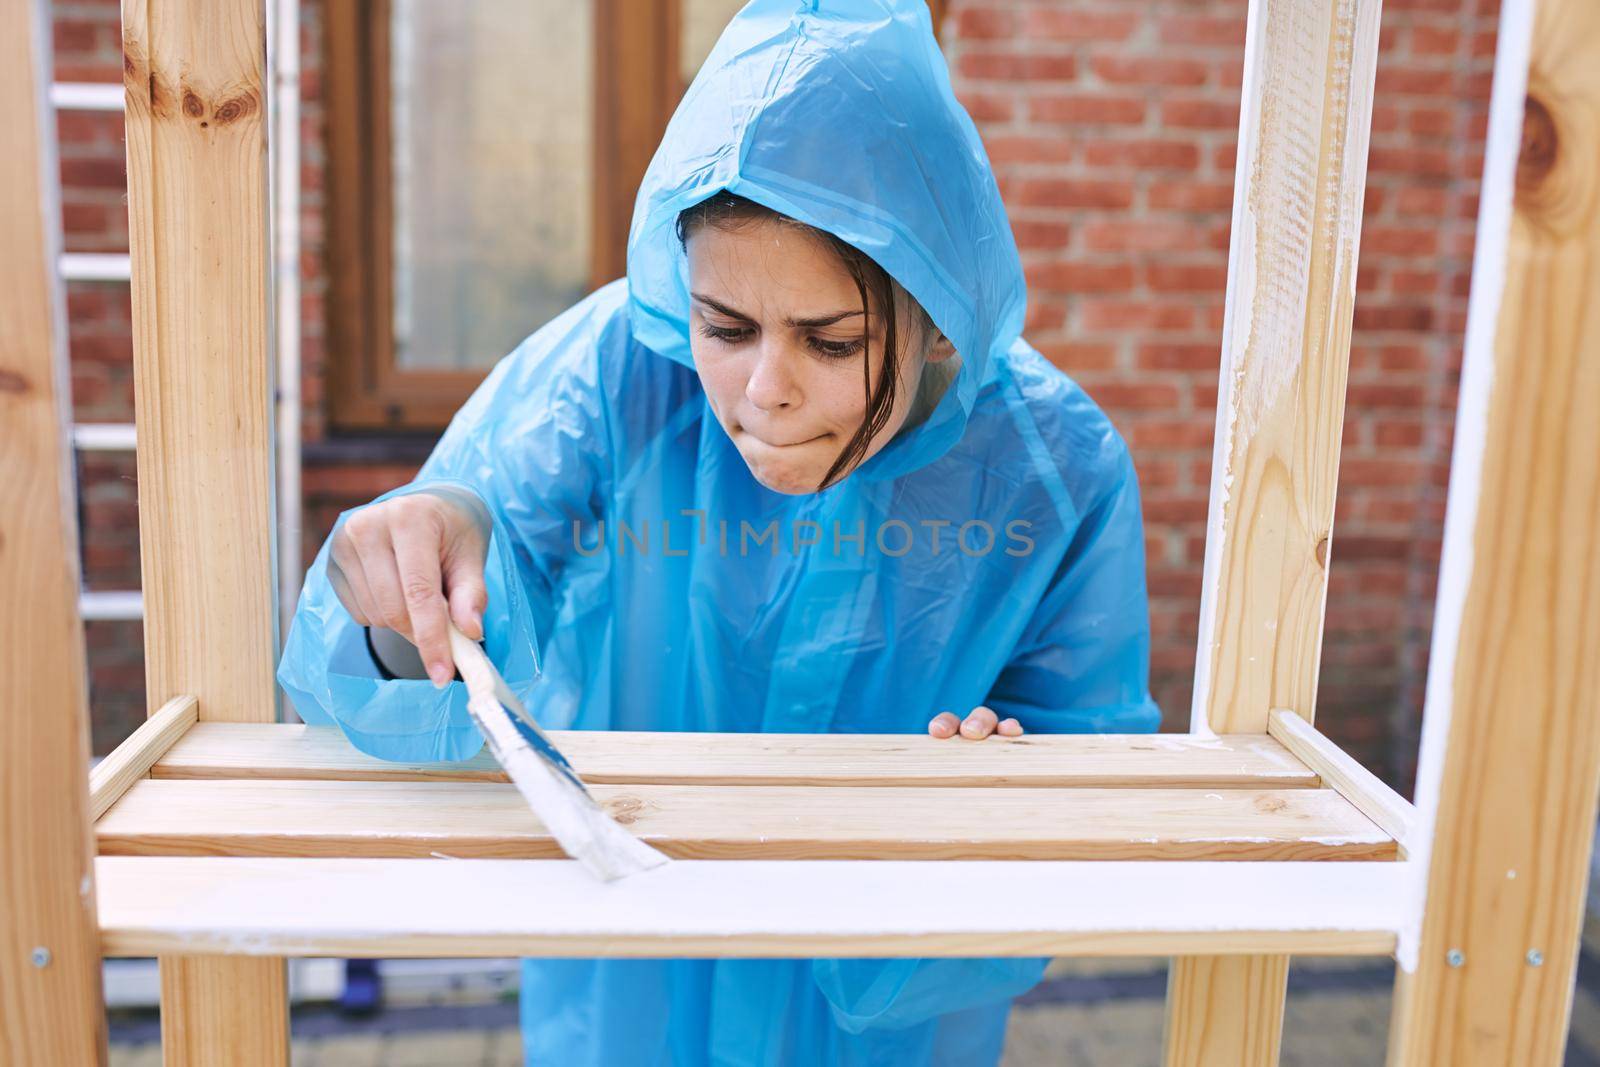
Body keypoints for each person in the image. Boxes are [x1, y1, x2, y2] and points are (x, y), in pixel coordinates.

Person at [278, 0, 1163, 1061]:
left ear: (939, 316)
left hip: (887, 1025)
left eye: (831, 340)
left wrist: (1004, 793)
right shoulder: (618, 373)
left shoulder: (1052, 468)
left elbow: (1087, 763)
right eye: (724, 326)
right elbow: (442, 616)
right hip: (632, 997)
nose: (763, 390)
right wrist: (407, 588)